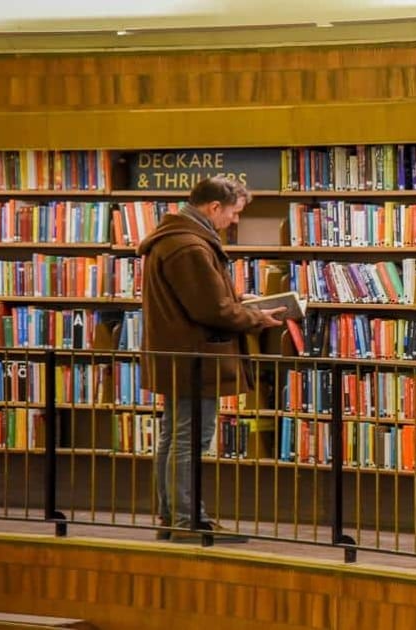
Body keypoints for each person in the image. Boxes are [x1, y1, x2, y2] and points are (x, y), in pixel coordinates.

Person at [137, 176, 284, 542]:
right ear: (214, 207)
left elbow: (205, 298)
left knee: (174, 438)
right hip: (195, 359)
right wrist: (255, 317)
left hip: (181, 356)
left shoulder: (176, 240)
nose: (234, 221)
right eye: (234, 213)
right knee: (188, 440)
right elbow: (211, 309)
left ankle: (174, 518)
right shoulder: (189, 247)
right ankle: (188, 522)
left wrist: (237, 298)